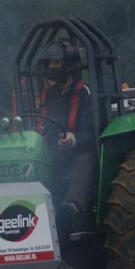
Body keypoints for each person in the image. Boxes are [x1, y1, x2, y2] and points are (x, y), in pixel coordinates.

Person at [36, 39, 97, 232]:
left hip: (80, 151)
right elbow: (43, 124)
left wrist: (73, 138)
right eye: (50, 62)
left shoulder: (85, 93)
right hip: (55, 151)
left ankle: (71, 208)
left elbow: (92, 134)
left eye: (57, 62)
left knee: (85, 159)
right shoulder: (50, 94)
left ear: (69, 64)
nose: (52, 67)